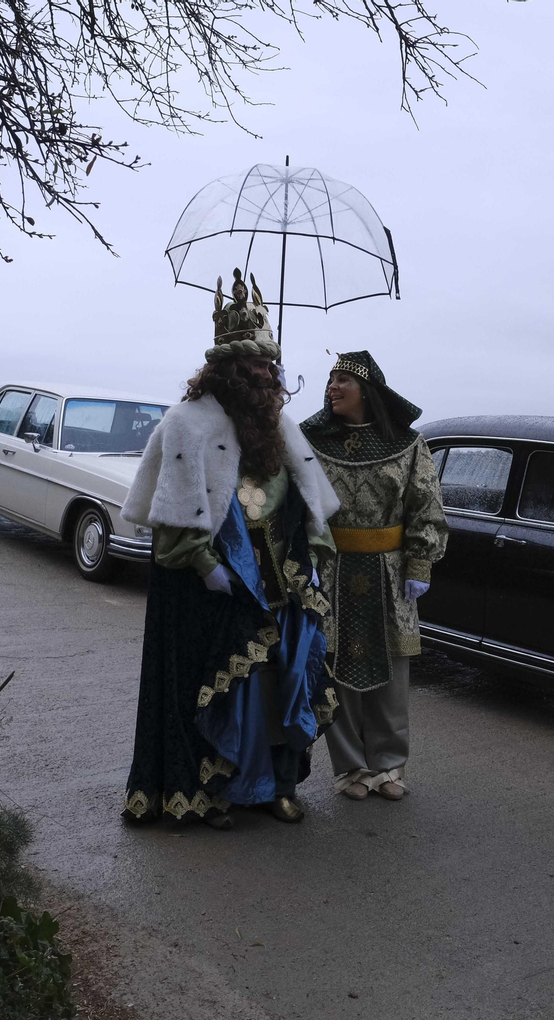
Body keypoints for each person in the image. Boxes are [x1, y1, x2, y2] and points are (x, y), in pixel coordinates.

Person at [118, 268, 341, 828]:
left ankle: (277, 786)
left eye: (272, 366)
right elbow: (173, 516)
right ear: (227, 371)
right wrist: (204, 564)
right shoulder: (187, 424)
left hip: (281, 579)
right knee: (223, 689)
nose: (268, 377)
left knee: (287, 680)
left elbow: (307, 502)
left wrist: (310, 556)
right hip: (211, 584)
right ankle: (210, 793)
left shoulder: (283, 426)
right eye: (256, 367)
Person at [300, 351, 447, 801]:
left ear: (367, 390)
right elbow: (297, 501)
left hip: (388, 572)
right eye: (330, 378)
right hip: (330, 567)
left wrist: (419, 562)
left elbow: (426, 505)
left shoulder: (407, 443)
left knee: (392, 672)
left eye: (343, 379)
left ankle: (389, 767)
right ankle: (352, 768)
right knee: (336, 664)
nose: (332, 387)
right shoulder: (309, 441)